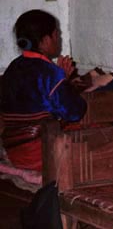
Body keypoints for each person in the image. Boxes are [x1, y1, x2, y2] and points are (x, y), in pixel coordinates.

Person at [1, 10, 87, 171]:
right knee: (101, 135)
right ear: (45, 40)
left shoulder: (12, 68)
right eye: (56, 34)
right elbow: (75, 112)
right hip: (41, 153)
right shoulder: (49, 72)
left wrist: (63, 81)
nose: (58, 39)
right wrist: (64, 82)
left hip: (14, 152)